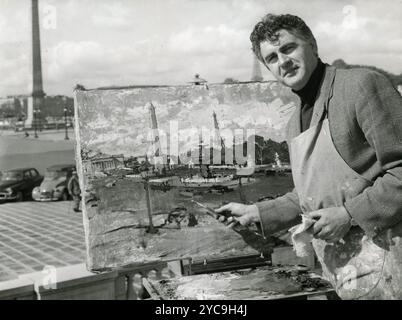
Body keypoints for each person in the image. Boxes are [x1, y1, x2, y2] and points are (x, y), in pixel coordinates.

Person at [217, 13, 402, 299]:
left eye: (289, 48)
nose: (283, 61)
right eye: (272, 58)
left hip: (391, 260)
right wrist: (256, 213)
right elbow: (311, 194)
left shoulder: (361, 86)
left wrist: (349, 214)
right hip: (348, 271)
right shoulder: (295, 122)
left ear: (312, 45)